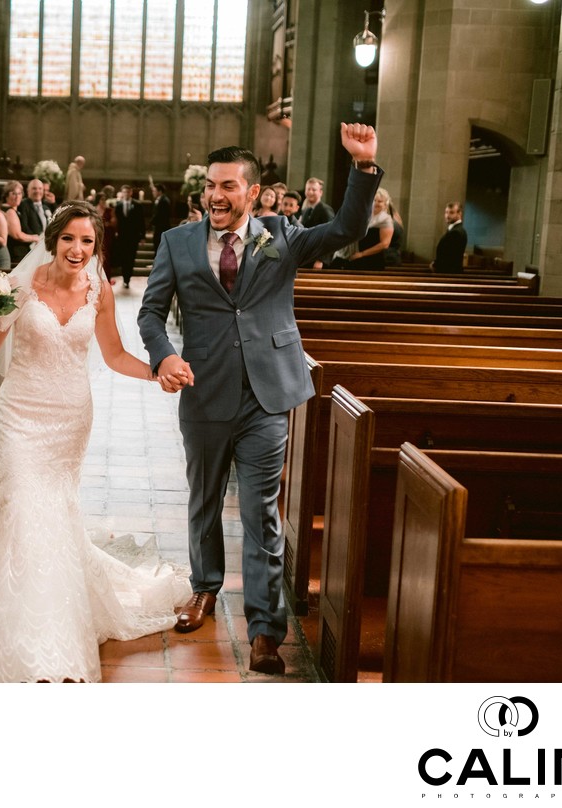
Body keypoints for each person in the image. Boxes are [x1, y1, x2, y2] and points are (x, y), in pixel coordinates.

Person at [138, 123, 382, 675]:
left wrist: (363, 166)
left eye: (228, 186)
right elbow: (150, 312)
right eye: (210, 185)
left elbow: (347, 227)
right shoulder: (178, 242)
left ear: (252, 192)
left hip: (267, 395)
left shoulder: (283, 235)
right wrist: (164, 356)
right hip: (204, 389)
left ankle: (265, 629)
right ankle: (204, 588)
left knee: (260, 512)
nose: (215, 196)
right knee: (203, 502)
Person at [0, 201, 191, 682]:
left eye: (87, 240)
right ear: (53, 240)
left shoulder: (99, 291)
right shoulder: (22, 285)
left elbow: (114, 355)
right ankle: (26, 632)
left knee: (53, 512)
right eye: (69, 238)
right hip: (21, 415)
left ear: (97, 246)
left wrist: (158, 374)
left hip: (70, 419)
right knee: (22, 505)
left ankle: (50, 618)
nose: (77, 248)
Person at [342, 187, 394, 271]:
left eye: (380, 201)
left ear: (385, 204)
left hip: (373, 259)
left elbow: (385, 244)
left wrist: (362, 254)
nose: (376, 203)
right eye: (374, 200)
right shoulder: (366, 216)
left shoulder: (386, 219)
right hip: (357, 257)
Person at [113, 184, 145, 289]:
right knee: (123, 257)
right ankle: (124, 276)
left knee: (131, 257)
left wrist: (142, 236)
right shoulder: (118, 205)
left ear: (131, 193)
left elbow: (141, 221)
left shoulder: (137, 205)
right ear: (122, 193)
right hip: (121, 236)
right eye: (124, 192)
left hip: (133, 236)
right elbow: (116, 221)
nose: (126, 194)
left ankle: (127, 278)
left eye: (128, 192)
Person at [300, 176, 335, 267]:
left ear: (320, 192)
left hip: (318, 260)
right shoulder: (306, 210)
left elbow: (330, 236)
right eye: (308, 189)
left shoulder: (325, 210)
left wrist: (321, 259)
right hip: (305, 257)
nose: (310, 192)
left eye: (314, 190)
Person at [2, 181, 40, 265]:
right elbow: (17, 235)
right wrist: (35, 238)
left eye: (19, 193)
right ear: (6, 195)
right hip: (15, 253)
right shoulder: (10, 211)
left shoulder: (14, 210)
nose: (17, 197)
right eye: (14, 194)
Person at [431, 201, 467, 273]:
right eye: (446, 212)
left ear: (459, 214)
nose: (447, 216)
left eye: (451, 212)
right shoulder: (454, 230)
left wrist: (435, 265)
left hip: (449, 272)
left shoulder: (456, 232)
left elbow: (449, 256)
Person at [17, 178, 50, 255]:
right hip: (30, 247)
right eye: (34, 188)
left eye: (40, 189)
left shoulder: (46, 207)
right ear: (28, 191)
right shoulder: (23, 205)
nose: (37, 191)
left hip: (45, 247)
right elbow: (24, 227)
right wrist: (37, 239)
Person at [149, 182, 171, 258]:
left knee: (159, 247)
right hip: (158, 228)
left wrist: (150, 223)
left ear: (160, 191)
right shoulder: (159, 200)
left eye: (154, 191)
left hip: (162, 228)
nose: (153, 193)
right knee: (157, 246)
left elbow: (160, 215)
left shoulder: (164, 201)